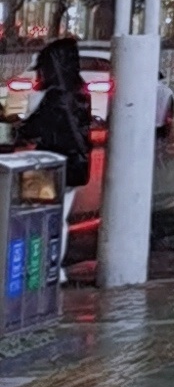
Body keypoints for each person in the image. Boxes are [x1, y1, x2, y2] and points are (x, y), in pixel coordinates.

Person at [18, 37, 92, 280]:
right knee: (59, 219)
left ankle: (43, 271)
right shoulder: (78, 91)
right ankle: (54, 270)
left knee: (40, 220)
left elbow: (30, 129)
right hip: (74, 165)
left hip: (50, 165)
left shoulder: (54, 96)